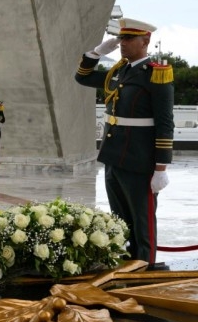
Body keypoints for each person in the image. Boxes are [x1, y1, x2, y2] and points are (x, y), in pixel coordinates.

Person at [74, 17, 174, 266]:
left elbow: (165, 124)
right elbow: (82, 77)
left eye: (129, 38)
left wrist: (161, 168)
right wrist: (95, 53)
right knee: (120, 220)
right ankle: (126, 266)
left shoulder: (156, 75)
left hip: (140, 161)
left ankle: (144, 268)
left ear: (145, 41)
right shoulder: (119, 71)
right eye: (121, 38)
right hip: (114, 157)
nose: (123, 43)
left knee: (142, 221)